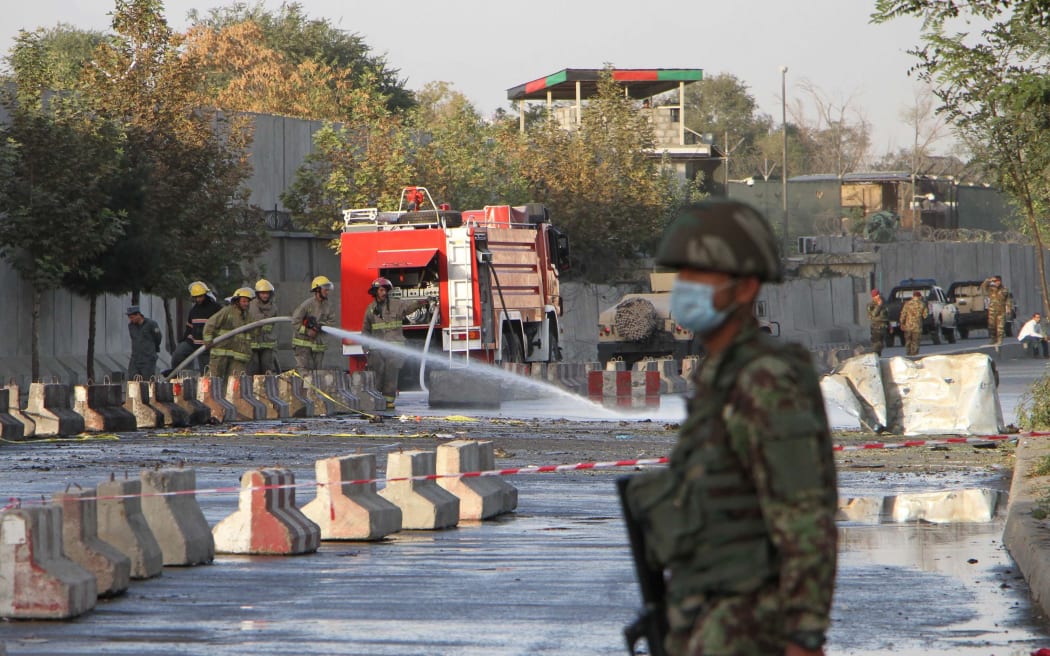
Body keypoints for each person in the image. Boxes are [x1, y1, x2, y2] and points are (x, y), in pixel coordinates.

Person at [622, 199, 838, 655]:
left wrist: (803, 635)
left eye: (702, 275)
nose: (686, 288)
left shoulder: (763, 380)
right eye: (683, 275)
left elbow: (804, 518)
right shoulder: (721, 377)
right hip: (708, 621)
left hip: (748, 629)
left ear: (745, 289)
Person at [362, 277, 431, 409]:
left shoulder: (396, 304)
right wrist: (365, 348)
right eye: (381, 290)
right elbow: (365, 330)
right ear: (376, 292)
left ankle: (388, 401)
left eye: (385, 290)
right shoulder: (370, 309)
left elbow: (408, 307)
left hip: (394, 349)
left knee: (391, 375)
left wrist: (420, 302)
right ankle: (376, 399)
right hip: (376, 350)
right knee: (377, 373)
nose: (384, 293)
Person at [167, 281, 223, 375]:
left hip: (207, 346)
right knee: (178, 354)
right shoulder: (194, 310)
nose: (198, 299)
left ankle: (206, 388)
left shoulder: (216, 309)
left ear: (205, 295)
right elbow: (189, 327)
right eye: (196, 297)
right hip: (193, 342)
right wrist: (184, 340)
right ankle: (178, 375)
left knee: (206, 372)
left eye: (200, 296)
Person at [203, 287, 254, 378]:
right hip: (221, 352)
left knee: (236, 381)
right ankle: (206, 392)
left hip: (237, 355)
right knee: (213, 378)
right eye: (244, 301)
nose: (246, 304)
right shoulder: (227, 311)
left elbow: (253, 332)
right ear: (237, 301)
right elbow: (210, 324)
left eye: (248, 301)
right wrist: (208, 341)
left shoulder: (248, 316)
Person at [291, 275, 336, 371]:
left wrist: (322, 326)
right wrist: (307, 331)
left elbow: (332, 322)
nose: (327, 292)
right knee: (304, 372)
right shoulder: (307, 304)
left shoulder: (328, 306)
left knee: (318, 374)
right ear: (317, 290)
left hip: (318, 345)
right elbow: (295, 321)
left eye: (328, 290)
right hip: (303, 345)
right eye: (325, 290)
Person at [248, 278, 280, 375]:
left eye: (267, 293)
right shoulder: (252, 305)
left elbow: (274, 326)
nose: (265, 295)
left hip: (267, 343)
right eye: (262, 293)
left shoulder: (274, 308)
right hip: (253, 343)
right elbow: (258, 319)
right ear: (257, 294)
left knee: (267, 368)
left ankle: (266, 389)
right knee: (254, 367)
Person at [126, 305, 162, 380]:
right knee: (132, 379)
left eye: (132, 317)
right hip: (135, 358)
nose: (131, 320)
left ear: (138, 315)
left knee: (147, 381)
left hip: (148, 358)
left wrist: (151, 349)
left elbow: (158, 338)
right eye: (129, 318)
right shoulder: (131, 326)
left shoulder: (151, 324)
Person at [980, 275, 1013, 345]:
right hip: (992, 310)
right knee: (992, 326)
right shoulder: (991, 288)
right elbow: (983, 286)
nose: (996, 283)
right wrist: (989, 280)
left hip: (1001, 310)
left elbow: (1008, 299)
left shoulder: (1004, 289)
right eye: (995, 281)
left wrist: (1008, 308)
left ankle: (1000, 340)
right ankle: (993, 339)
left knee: (1000, 326)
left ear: (1000, 281)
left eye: (998, 281)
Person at [900, 290, 928, 357]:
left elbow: (903, 314)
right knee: (915, 342)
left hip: (908, 326)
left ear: (913, 296)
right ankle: (914, 355)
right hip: (917, 327)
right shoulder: (922, 304)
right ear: (920, 297)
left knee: (908, 341)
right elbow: (925, 316)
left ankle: (908, 353)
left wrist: (902, 323)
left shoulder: (907, 304)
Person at [867, 288, 889, 356]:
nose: (878, 296)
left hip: (883, 326)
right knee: (877, 344)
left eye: (878, 294)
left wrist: (890, 325)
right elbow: (873, 314)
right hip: (876, 327)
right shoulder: (871, 305)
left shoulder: (883, 303)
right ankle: (875, 356)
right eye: (876, 295)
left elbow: (887, 315)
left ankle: (879, 356)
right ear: (873, 297)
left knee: (881, 344)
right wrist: (879, 306)